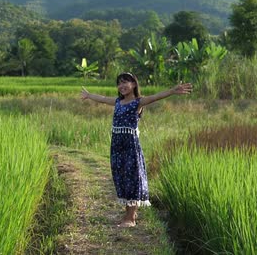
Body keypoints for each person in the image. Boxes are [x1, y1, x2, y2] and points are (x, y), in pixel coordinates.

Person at [80, 72, 193, 227]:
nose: (121, 86)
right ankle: (128, 213)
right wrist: (88, 95)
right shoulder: (118, 102)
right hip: (116, 145)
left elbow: (155, 97)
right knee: (121, 177)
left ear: (133, 84)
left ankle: (130, 218)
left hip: (130, 146)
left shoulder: (138, 102)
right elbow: (103, 99)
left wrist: (172, 91)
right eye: (119, 83)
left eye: (125, 82)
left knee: (132, 177)